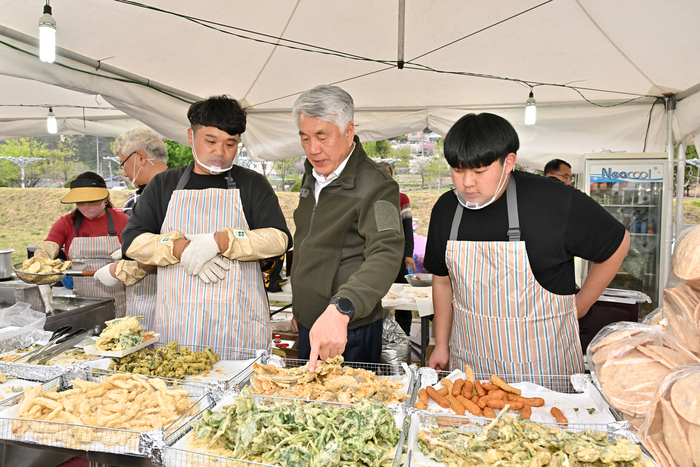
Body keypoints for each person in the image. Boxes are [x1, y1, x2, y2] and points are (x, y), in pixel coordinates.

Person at [425, 113, 630, 377]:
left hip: (543, 367)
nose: (467, 182)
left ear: (508, 162)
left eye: (479, 171)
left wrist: (582, 304)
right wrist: (441, 344)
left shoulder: (554, 201)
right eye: (457, 170)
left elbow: (618, 243)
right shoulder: (447, 209)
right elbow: (442, 280)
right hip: (470, 363)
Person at [120, 95, 292, 350]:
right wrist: (180, 248)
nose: (220, 152)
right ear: (191, 137)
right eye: (210, 141)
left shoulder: (252, 184)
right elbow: (132, 242)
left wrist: (220, 241)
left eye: (230, 144)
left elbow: (279, 239)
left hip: (238, 326)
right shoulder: (164, 185)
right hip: (179, 325)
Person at [290, 85, 404, 371]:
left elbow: (387, 251)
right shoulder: (312, 177)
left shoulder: (378, 186)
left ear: (349, 131)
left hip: (349, 328)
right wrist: (301, 308)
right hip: (310, 324)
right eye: (305, 138)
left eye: (321, 137)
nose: (312, 149)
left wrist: (342, 308)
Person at [93, 126, 168, 318]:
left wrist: (121, 270)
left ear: (141, 158)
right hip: (148, 299)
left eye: (122, 163)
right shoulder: (144, 195)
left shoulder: (171, 191)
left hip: (167, 299)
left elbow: (174, 248)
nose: (125, 173)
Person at [34, 172, 130, 316]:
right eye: (81, 202)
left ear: (105, 199)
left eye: (92, 202)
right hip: (84, 304)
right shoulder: (66, 223)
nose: (86, 207)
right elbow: (48, 246)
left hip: (120, 304)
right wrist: (40, 273)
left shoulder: (123, 221)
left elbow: (141, 254)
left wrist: (130, 251)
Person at [377, 161, 415, 335]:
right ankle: (379, 333)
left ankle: (404, 335)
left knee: (402, 297)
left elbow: (408, 228)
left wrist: (408, 254)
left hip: (397, 255)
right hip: (375, 256)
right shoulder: (368, 199)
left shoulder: (402, 199)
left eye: (387, 174)